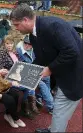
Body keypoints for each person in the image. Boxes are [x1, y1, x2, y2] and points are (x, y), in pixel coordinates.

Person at [10, 3, 83, 132]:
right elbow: (42, 58)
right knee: (60, 111)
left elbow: (71, 52)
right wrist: (20, 72)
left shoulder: (54, 25)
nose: (16, 28)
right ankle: (53, 129)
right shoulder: (33, 35)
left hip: (74, 76)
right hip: (63, 75)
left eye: (16, 25)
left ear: (26, 20)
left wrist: (50, 69)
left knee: (59, 111)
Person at [0, 35, 39, 119]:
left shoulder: (14, 53)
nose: (9, 45)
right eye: (7, 43)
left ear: (14, 43)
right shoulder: (2, 53)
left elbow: (19, 65)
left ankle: (26, 107)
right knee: (28, 86)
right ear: (4, 44)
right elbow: (1, 69)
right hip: (8, 78)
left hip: (17, 76)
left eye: (11, 43)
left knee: (32, 83)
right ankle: (25, 108)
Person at [17, 35, 54, 114]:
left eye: (29, 44)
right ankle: (51, 106)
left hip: (34, 72)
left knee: (47, 77)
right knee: (42, 84)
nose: (27, 45)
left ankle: (39, 97)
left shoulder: (33, 50)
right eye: (25, 43)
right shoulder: (19, 51)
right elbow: (20, 67)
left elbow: (38, 61)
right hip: (25, 75)